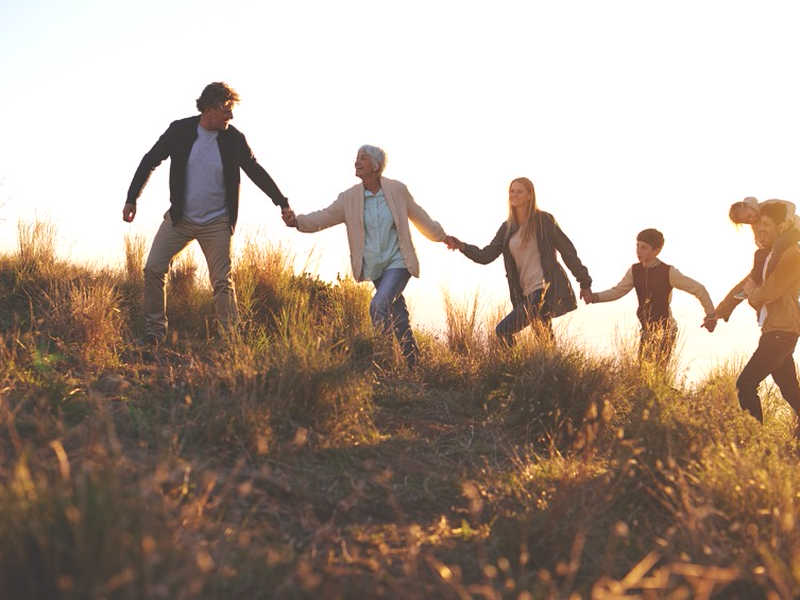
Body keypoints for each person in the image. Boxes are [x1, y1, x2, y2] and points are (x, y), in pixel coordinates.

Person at [123, 82, 290, 344]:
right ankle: (154, 332)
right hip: (180, 219)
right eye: (226, 109)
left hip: (217, 222)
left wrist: (281, 201)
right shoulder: (180, 130)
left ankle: (231, 340)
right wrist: (132, 198)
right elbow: (150, 159)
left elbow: (255, 170)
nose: (231, 116)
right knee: (153, 269)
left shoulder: (233, 139)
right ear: (210, 108)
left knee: (222, 281)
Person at [281, 145, 448, 368]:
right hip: (375, 267)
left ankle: (385, 363)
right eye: (356, 158)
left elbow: (419, 216)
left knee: (378, 304)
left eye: (363, 158)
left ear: (376, 165)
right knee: (397, 314)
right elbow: (324, 217)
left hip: (399, 262)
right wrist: (298, 222)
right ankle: (414, 364)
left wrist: (442, 236)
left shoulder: (397, 190)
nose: (357, 162)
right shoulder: (349, 198)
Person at [444, 177, 592, 346]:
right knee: (545, 343)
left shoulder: (544, 221)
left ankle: (515, 369)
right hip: (525, 294)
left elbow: (568, 252)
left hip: (543, 290)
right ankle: (549, 370)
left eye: (519, 191)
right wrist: (462, 246)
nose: (514, 195)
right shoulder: (507, 228)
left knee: (503, 330)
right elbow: (486, 256)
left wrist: (584, 282)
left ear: (530, 195)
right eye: (512, 191)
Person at [711, 203, 800, 423]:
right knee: (790, 390)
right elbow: (747, 285)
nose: (761, 230)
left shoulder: (792, 254)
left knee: (745, 384)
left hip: (783, 331)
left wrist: (754, 294)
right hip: (774, 329)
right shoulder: (766, 258)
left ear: (780, 227)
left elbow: (768, 292)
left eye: (767, 225)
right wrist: (720, 310)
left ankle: (755, 439)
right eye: (758, 226)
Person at [585, 228, 717, 366]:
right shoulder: (635, 270)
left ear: (656, 250)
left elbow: (699, 289)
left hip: (666, 331)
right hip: (646, 330)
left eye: (644, 248)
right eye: (637, 246)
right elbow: (618, 291)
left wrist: (710, 315)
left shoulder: (668, 272)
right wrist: (594, 297)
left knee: (657, 373)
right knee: (642, 373)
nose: (638, 251)